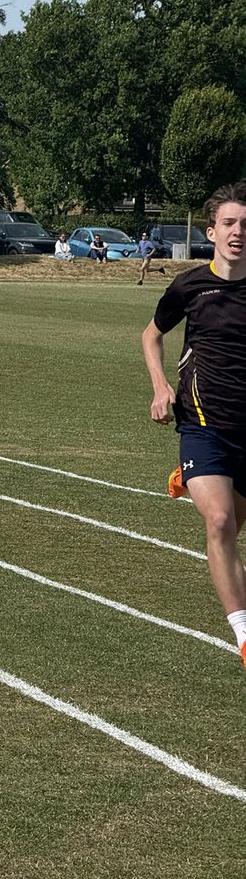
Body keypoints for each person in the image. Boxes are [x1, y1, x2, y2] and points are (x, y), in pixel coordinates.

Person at [142, 182, 246, 667]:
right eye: (229, 223)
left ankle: (191, 476)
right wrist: (160, 386)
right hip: (203, 423)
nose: (238, 231)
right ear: (211, 232)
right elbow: (151, 335)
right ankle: (244, 635)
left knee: (232, 525)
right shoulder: (190, 287)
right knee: (219, 522)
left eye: (245, 224)